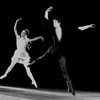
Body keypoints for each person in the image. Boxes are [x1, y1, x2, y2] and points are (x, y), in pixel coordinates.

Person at [0, 18, 44, 88]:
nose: (22, 33)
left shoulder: (27, 39)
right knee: (11, 65)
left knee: (27, 68)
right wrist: (16, 21)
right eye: (22, 32)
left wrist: (40, 37)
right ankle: (5, 74)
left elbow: (34, 39)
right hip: (17, 54)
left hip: (24, 55)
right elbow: (15, 29)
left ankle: (33, 81)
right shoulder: (18, 37)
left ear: (25, 34)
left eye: (23, 32)